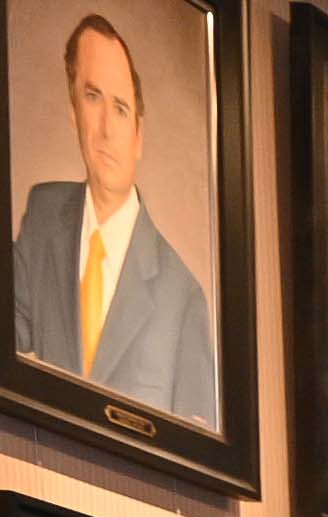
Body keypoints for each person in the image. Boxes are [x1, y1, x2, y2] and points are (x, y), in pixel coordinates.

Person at [10, 13, 221, 427]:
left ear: (139, 135)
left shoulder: (184, 298)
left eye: (121, 108)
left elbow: (193, 444)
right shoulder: (43, 216)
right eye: (92, 97)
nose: (106, 127)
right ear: (73, 110)